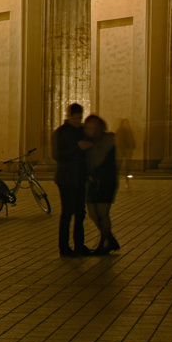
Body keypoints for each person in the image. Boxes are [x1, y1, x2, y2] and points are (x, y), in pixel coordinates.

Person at [52, 103, 89, 256]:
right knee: (67, 212)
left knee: (80, 212)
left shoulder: (82, 131)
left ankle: (80, 245)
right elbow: (57, 155)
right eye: (75, 118)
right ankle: (64, 247)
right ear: (68, 116)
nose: (77, 121)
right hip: (66, 178)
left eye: (79, 118)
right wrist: (78, 147)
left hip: (81, 177)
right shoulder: (60, 133)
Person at [80, 115, 120, 254]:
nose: (89, 130)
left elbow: (108, 164)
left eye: (92, 128)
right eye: (88, 127)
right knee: (93, 213)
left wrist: (94, 175)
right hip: (90, 183)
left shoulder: (107, 142)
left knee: (103, 213)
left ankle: (103, 244)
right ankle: (111, 239)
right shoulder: (86, 142)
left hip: (105, 182)